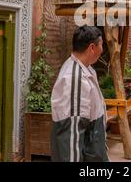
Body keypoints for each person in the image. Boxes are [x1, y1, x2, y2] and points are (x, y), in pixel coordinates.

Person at [50, 26, 109, 162]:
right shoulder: (75, 79)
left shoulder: (85, 69)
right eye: (102, 45)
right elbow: (71, 135)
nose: (103, 50)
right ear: (92, 48)